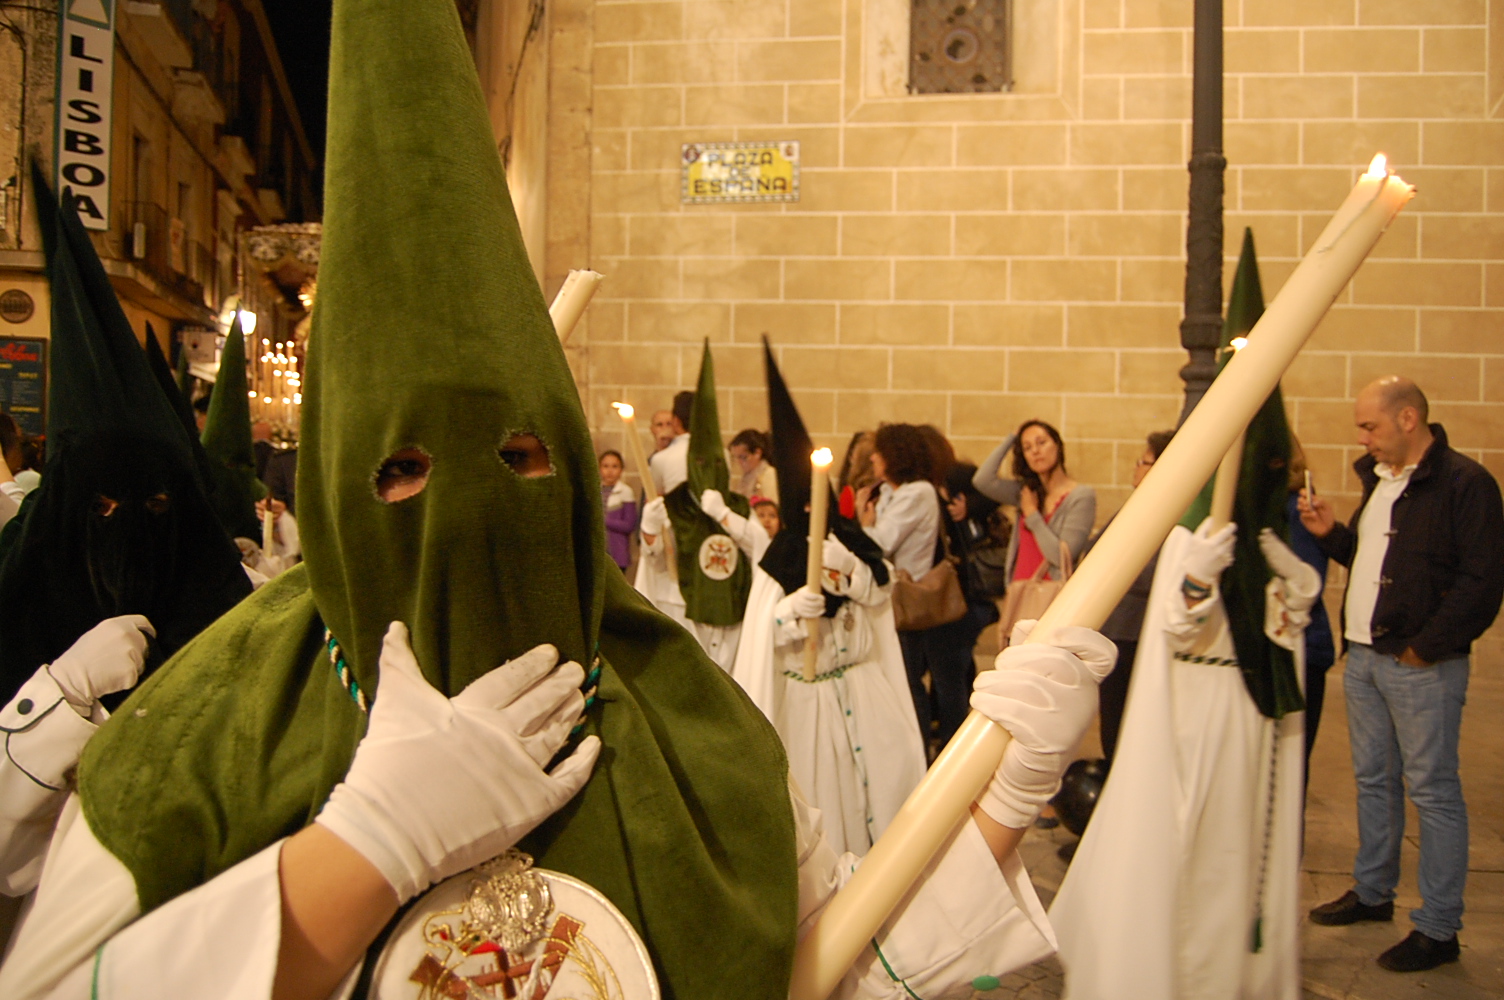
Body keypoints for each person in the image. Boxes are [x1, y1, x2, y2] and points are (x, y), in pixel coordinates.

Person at [0, 5, 1111, 994]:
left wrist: (1000, 796)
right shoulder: (199, 741)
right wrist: (364, 847)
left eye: (523, 458)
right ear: (340, 498)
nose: (471, 511)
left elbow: (830, 965)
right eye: (400, 473)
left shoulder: (690, 727)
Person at [0, 170, 251, 708]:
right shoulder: (19, 589)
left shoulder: (221, 604)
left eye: (157, 505)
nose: (130, 534)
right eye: (104, 507)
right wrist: (63, 694)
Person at [1300, 376, 1504, 972]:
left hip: (1420, 664)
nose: (1362, 438)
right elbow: (1377, 565)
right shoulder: (1382, 481)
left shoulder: (1465, 483)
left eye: (1370, 426)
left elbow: (1482, 581)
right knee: (1373, 780)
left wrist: (1426, 647)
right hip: (1364, 656)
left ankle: (1438, 928)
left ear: (1409, 418)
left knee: (1434, 792)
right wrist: (1333, 535)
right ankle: (1372, 892)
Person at [730, 344, 925, 856]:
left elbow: (879, 591)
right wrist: (788, 616)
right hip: (808, 697)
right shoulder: (779, 560)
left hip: (861, 690)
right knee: (825, 804)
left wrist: (852, 580)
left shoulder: (854, 544)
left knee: (883, 794)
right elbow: (758, 637)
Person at [1080, 428, 1173, 765]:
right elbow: (1093, 551)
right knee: (1113, 723)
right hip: (1116, 631)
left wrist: (1115, 569)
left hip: (1138, 633)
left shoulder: (1172, 515)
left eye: (1143, 461)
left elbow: (1163, 573)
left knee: (1128, 727)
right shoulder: (1135, 508)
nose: (1136, 468)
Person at [856, 424, 945, 746]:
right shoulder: (892, 492)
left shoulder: (918, 492)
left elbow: (880, 542)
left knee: (907, 683)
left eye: (880, 451)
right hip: (886, 599)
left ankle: (918, 755)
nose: (874, 458)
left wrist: (863, 522)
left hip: (905, 600)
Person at [973, 420, 1096, 588]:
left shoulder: (1081, 496)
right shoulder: (1027, 492)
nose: (1036, 451)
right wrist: (1012, 438)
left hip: (1052, 595)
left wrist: (1032, 515)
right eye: (1027, 448)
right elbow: (982, 480)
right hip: (1020, 591)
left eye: (1041, 443)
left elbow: (1061, 557)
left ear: (1057, 445)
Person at [1283, 435, 1334, 782]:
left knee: (1287, 771)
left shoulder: (1294, 509)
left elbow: (1303, 583)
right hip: (1286, 649)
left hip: (1299, 651)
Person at [598, 449, 636, 572]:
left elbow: (629, 525)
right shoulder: (594, 490)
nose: (610, 471)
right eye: (605, 466)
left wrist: (604, 521)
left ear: (621, 469)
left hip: (617, 550)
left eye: (615, 466)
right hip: (597, 549)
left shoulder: (625, 492)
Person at [729, 427, 779, 504]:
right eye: (736, 458)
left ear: (757, 453)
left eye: (743, 457)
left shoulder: (769, 475)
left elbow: (771, 509)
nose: (739, 462)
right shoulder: (747, 477)